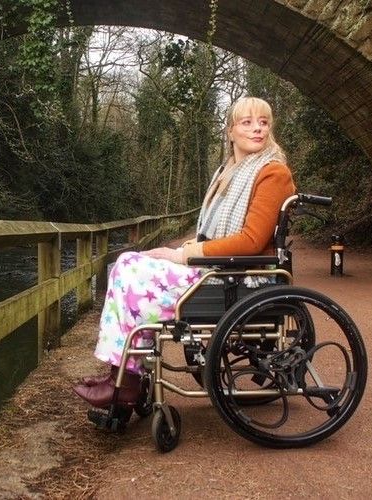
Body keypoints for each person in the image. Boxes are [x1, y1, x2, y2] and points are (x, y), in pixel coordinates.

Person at [73, 96, 296, 408]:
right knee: (126, 261)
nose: (257, 129)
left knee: (130, 273)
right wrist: (186, 251)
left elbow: (250, 241)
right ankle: (121, 374)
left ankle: (126, 382)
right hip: (223, 270)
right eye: (247, 122)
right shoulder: (230, 171)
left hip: (242, 277)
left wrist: (183, 255)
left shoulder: (272, 173)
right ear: (230, 131)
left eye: (263, 122)